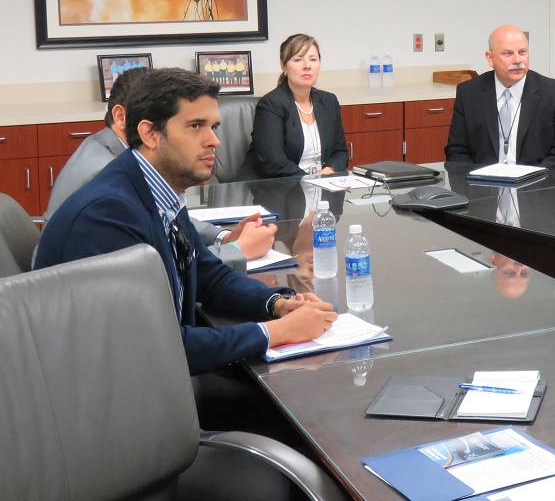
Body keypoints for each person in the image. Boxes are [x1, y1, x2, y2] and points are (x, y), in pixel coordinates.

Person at [34, 68, 337, 375]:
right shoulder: (108, 214)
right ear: (150, 134)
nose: (214, 141)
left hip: (159, 371)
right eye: (195, 126)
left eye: (214, 127)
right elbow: (152, 348)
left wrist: (277, 302)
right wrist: (277, 332)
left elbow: (207, 275)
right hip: (120, 389)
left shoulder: (160, 188)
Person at [43, 66, 274, 271]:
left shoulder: (118, 155)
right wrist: (237, 250)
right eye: (194, 126)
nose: (214, 141)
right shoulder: (106, 181)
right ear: (123, 117)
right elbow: (162, 269)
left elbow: (168, 222)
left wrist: (222, 237)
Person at [444, 24, 555, 172]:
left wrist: (531, 176)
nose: (517, 60)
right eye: (508, 54)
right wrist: (476, 178)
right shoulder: (469, 93)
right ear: (490, 58)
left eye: (522, 52)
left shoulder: (554, 93)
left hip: (535, 182)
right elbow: (457, 151)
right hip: (482, 183)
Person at [238, 34, 349, 179]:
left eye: (313, 59)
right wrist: (312, 181)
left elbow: (340, 152)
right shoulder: (271, 104)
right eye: (298, 60)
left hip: (320, 184)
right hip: (278, 186)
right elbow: (274, 164)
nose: (307, 66)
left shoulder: (329, 101)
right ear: (283, 65)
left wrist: (326, 173)